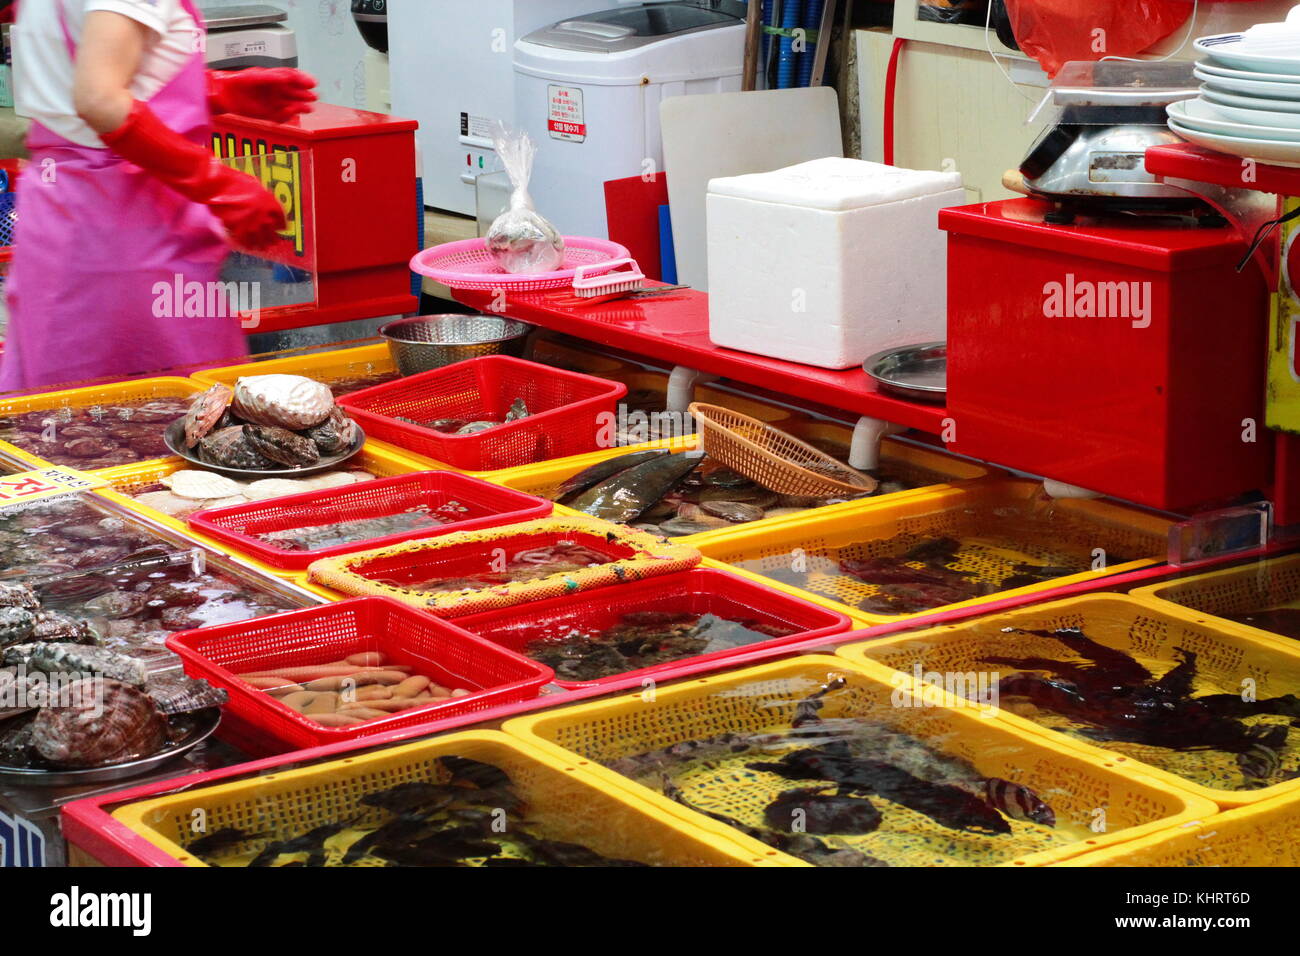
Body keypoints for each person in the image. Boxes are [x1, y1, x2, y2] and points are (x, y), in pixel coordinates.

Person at [0, 0, 317, 391]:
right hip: (125, 232)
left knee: (64, 417)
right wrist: (219, 185)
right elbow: (99, 100)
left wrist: (215, 91)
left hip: (65, 221)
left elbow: (100, 68)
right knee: (172, 410)